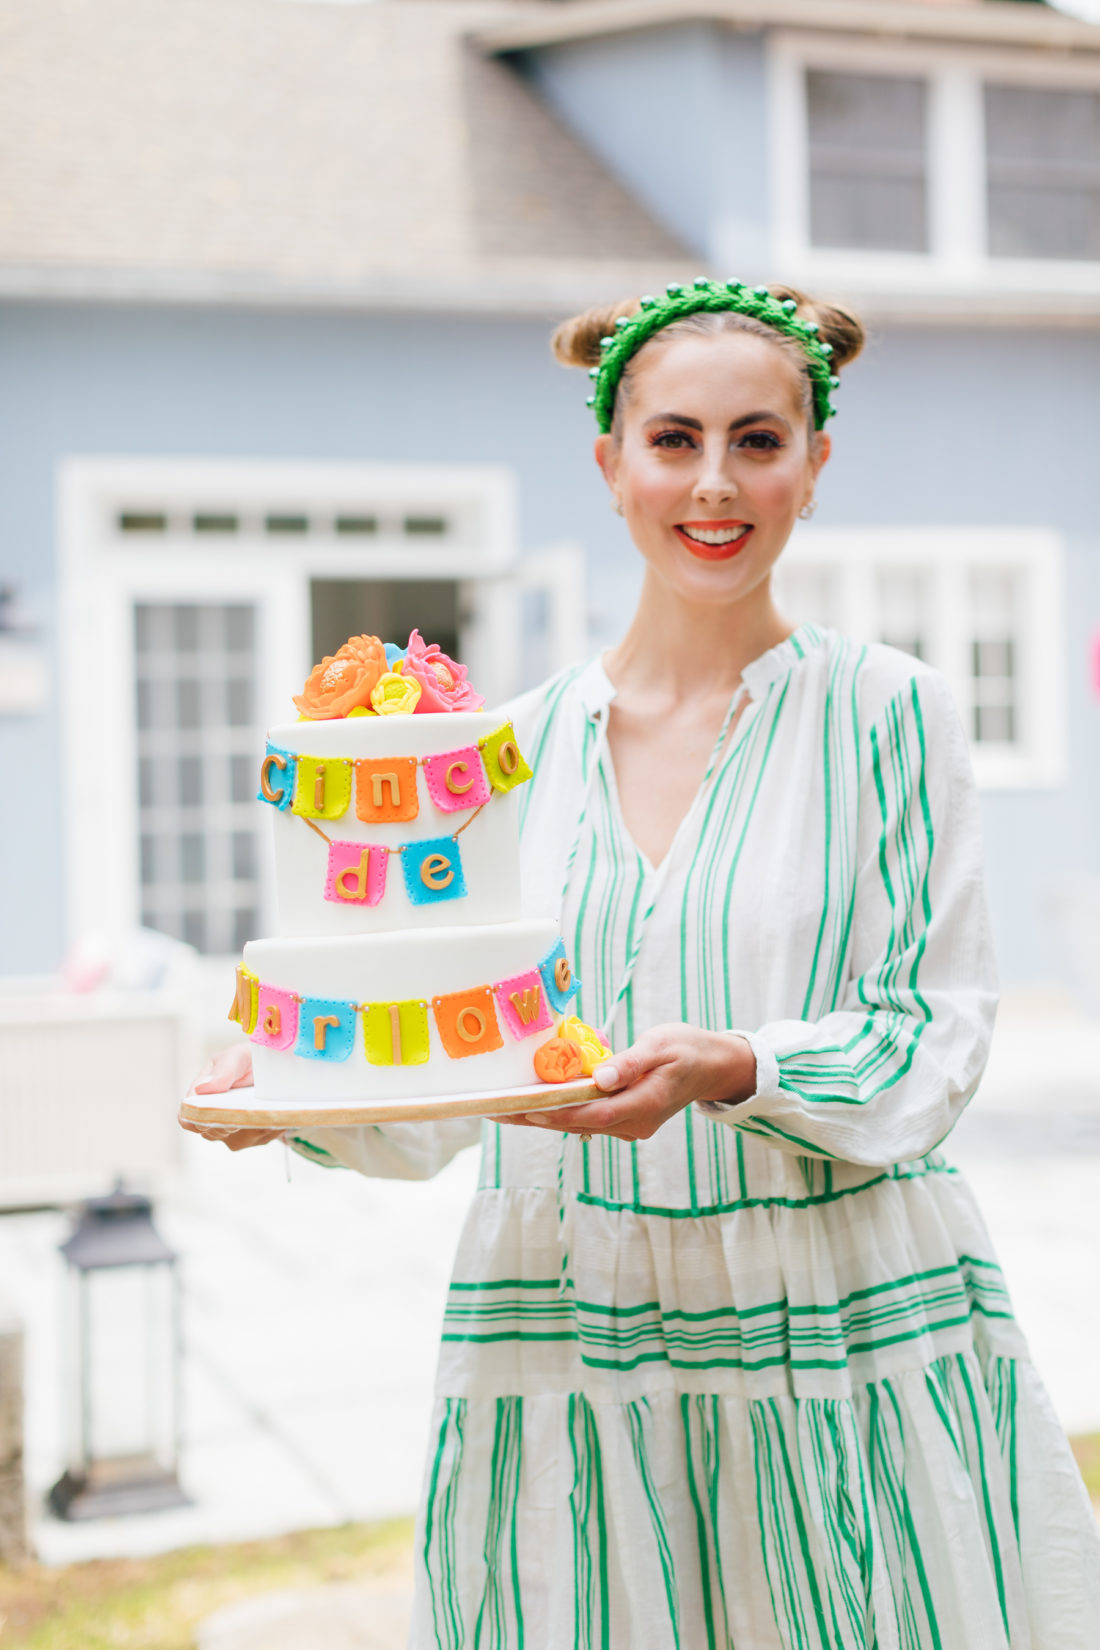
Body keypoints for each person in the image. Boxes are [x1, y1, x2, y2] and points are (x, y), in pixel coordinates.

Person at [185, 280, 1100, 1648]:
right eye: (673, 440)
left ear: (817, 463)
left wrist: (738, 1063)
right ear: (608, 461)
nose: (714, 483)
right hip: (572, 1324)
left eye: (757, 440)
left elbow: (932, 1041)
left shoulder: (891, 713)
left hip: (828, 1328)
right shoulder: (504, 752)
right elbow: (462, 1057)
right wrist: (297, 1096)